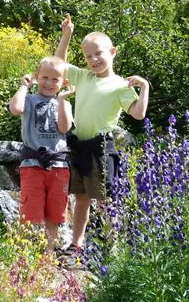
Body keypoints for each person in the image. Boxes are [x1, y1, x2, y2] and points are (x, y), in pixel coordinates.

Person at [55, 13, 149, 257]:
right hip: (78, 145)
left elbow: (138, 114)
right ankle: (77, 244)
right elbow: (58, 65)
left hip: (101, 147)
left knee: (106, 199)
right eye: (88, 56)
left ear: (113, 52)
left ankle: (111, 248)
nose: (93, 59)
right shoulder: (84, 77)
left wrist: (145, 86)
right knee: (81, 198)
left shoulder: (121, 85)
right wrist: (66, 35)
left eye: (98, 53)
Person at [9, 56, 74, 248]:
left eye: (55, 79)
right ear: (37, 77)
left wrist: (62, 100)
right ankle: (23, 256)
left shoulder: (66, 104)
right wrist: (24, 86)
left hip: (59, 168)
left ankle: (48, 255)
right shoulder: (28, 100)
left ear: (64, 83)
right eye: (45, 77)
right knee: (29, 216)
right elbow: (15, 108)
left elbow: (64, 128)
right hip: (32, 166)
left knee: (54, 216)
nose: (49, 83)